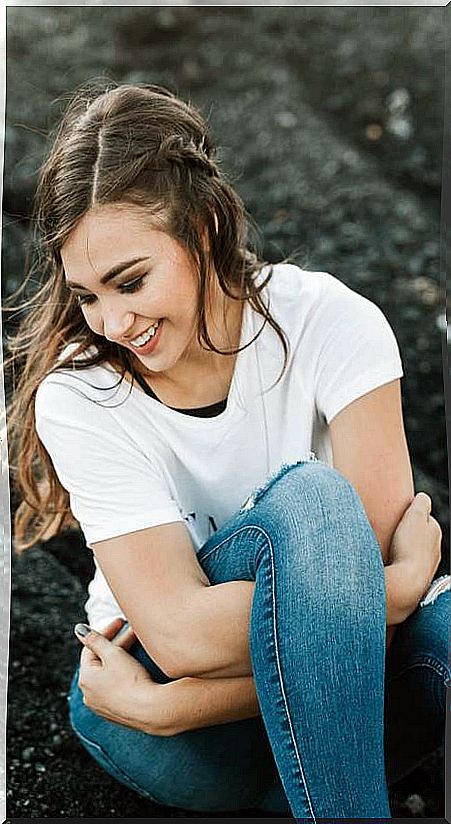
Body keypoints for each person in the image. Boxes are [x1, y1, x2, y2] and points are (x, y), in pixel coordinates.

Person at [6, 80, 450, 818]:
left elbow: (360, 600)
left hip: (205, 704)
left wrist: (179, 705)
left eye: (130, 280)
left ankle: (312, 793)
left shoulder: (330, 322)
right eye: (86, 295)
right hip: (170, 729)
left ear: (205, 227)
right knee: (314, 501)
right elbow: (177, 636)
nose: (112, 321)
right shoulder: (77, 396)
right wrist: (391, 594)